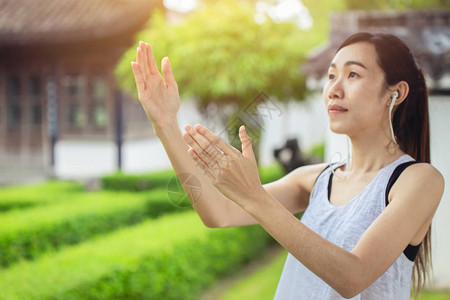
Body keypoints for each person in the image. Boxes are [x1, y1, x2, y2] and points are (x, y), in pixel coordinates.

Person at [130, 32, 444, 299]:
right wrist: (166, 125)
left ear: (396, 92)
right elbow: (219, 213)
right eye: (331, 75)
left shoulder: (418, 180)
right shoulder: (314, 179)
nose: (334, 89)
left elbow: (354, 276)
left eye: (353, 75)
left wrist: (254, 195)